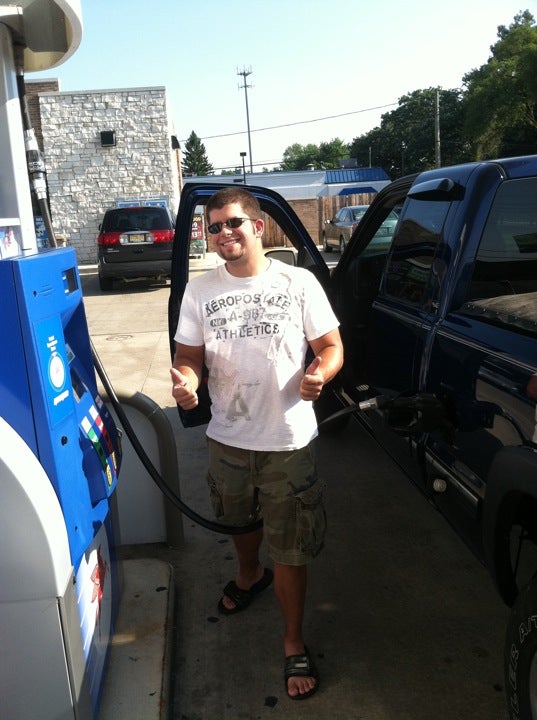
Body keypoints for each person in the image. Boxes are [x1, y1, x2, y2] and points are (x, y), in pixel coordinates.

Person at [170, 187, 343, 700]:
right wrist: (186, 383)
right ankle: (249, 575)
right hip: (227, 437)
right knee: (238, 521)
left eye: (234, 223)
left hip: (287, 440)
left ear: (258, 227)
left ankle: (293, 641)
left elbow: (331, 346)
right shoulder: (200, 291)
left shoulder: (298, 282)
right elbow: (188, 356)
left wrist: (320, 373)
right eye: (215, 227)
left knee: (291, 544)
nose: (224, 233)